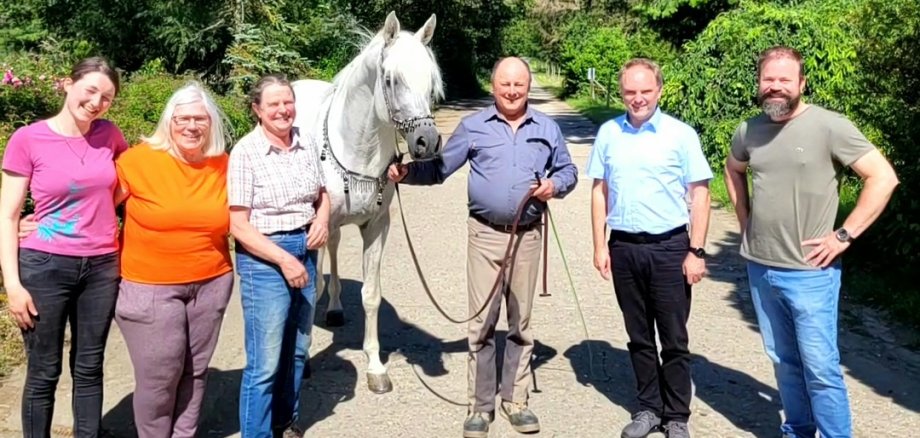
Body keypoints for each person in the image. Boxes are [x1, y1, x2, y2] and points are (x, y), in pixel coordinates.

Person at [388, 56, 578, 438]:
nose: (512, 91)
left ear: (528, 86)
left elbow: (568, 171)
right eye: (505, 84)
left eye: (519, 85)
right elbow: (441, 168)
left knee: (520, 324)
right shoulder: (474, 127)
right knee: (482, 324)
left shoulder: (547, 128)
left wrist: (554, 186)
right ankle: (480, 407)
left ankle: (516, 400)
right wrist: (408, 173)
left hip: (528, 235)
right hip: (485, 235)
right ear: (493, 86)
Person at [724, 46, 899, 438]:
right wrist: (744, 220)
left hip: (811, 273)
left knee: (820, 368)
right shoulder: (748, 130)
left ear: (802, 83)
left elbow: (883, 178)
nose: (775, 88)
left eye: (785, 80)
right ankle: (798, 431)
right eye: (768, 80)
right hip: (760, 266)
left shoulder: (829, 126)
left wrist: (844, 235)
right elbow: (733, 169)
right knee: (783, 361)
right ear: (758, 83)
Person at [0, 57, 127, 438]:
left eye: (106, 97)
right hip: (44, 266)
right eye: (90, 90)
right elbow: (8, 216)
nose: (96, 102)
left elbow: (127, 183)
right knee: (44, 371)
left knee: (89, 367)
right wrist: (13, 286)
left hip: (102, 266)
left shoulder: (110, 135)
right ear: (67, 85)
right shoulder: (28, 138)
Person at [587, 58, 712, 438]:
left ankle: (676, 416)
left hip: (670, 247)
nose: (637, 98)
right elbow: (599, 192)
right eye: (630, 91)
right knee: (639, 336)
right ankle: (648, 409)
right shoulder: (609, 133)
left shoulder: (681, 135)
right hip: (623, 247)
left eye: (645, 91)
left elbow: (701, 195)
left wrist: (697, 251)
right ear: (621, 92)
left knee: (674, 338)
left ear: (659, 90)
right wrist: (599, 245)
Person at [112, 82, 234, 438]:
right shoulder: (137, 161)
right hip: (149, 286)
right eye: (183, 118)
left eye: (200, 118)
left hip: (212, 282)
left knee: (195, 371)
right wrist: (38, 223)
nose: (191, 126)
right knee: (159, 377)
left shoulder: (223, 164)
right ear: (169, 121)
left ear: (211, 123)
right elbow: (94, 207)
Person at [228, 74, 330, 438]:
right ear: (257, 109)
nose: (283, 110)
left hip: (306, 249)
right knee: (266, 362)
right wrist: (285, 260)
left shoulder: (305, 143)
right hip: (265, 259)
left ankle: (285, 422)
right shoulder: (246, 152)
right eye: (273, 104)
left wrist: (322, 218)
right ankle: (256, 433)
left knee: (299, 349)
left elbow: (322, 194)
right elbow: (238, 225)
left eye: (287, 102)